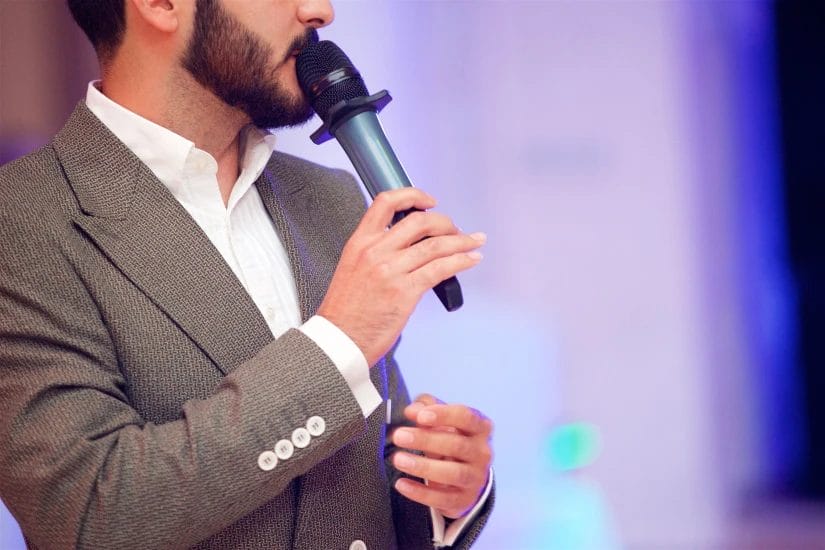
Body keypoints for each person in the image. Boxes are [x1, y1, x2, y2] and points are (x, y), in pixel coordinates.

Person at [0, 0, 494, 548]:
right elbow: (87, 516)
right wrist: (339, 343)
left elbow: (355, 489)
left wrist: (442, 490)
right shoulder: (22, 222)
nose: (321, 11)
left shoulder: (329, 198)